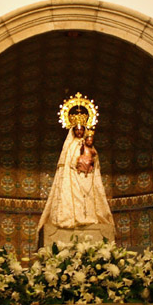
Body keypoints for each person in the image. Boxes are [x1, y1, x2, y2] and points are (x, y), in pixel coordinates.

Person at [37, 97, 115, 242]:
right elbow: (66, 164)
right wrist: (76, 163)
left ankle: (88, 216)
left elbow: (95, 161)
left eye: (81, 130)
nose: (79, 132)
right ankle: (72, 216)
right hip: (72, 179)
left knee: (89, 199)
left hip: (87, 178)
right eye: (77, 130)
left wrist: (92, 162)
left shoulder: (89, 146)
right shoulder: (69, 146)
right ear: (73, 130)